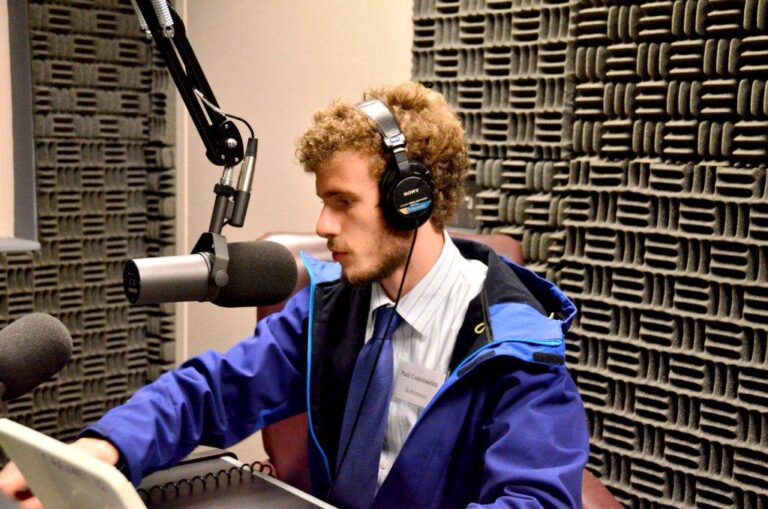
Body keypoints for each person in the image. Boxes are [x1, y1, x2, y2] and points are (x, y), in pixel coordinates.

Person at [0, 82, 589, 508]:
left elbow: (535, 500)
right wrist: (103, 450)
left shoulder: (519, 349)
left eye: (343, 202)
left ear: (413, 200)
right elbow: (215, 389)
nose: (324, 225)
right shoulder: (332, 304)